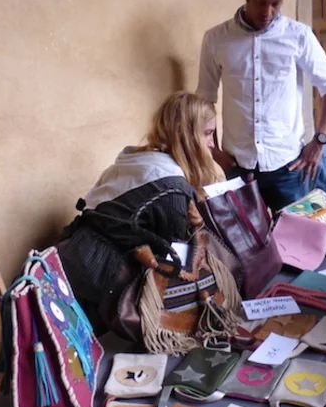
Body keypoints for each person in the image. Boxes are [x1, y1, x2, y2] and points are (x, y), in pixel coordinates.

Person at [56, 92, 224, 321]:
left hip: (68, 260)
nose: (212, 143)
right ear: (186, 135)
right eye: (208, 133)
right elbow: (175, 264)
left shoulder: (134, 160)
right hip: (99, 284)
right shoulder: (172, 188)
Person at [197, 0, 326, 210]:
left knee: (294, 233)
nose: (268, 12)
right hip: (237, 166)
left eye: (276, 4)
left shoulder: (299, 36)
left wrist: (319, 142)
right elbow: (204, 99)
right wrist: (213, 150)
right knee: (243, 234)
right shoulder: (216, 39)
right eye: (260, 2)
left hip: (288, 166)